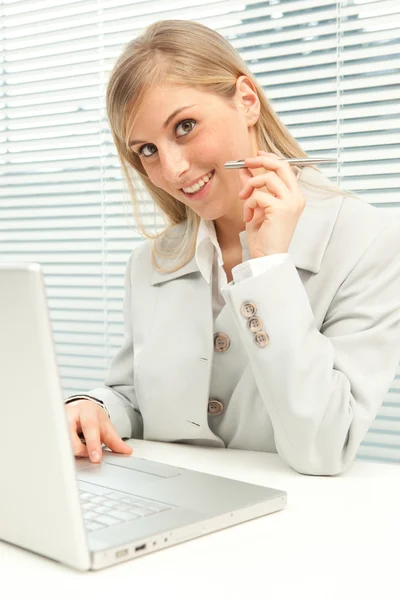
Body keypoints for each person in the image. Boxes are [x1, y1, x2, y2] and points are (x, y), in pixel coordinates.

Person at [64, 20, 400, 476]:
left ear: (246, 100)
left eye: (184, 126)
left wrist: (270, 271)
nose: (173, 169)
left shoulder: (370, 241)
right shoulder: (151, 262)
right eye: (146, 150)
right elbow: (133, 397)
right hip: (173, 513)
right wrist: (92, 407)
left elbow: (323, 446)